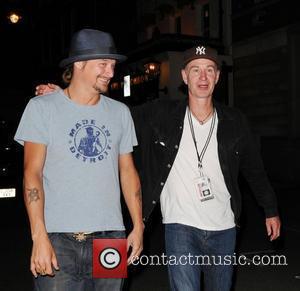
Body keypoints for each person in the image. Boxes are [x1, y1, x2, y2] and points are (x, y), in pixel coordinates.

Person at [36, 44, 281, 291]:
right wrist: (68, 97)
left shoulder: (234, 121)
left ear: (218, 76)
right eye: (195, 70)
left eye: (209, 70)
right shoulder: (161, 114)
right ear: (184, 77)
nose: (203, 77)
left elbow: (254, 169)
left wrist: (270, 209)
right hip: (180, 225)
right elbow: (116, 115)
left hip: (224, 227)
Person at [15, 28, 144, 291]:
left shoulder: (120, 112)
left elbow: (128, 172)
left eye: (112, 65)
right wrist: (39, 236)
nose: (111, 72)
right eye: (103, 64)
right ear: (79, 64)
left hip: (111, 238)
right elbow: (32, 174)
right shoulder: (42, 108)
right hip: (58, 240)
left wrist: (138, 225)